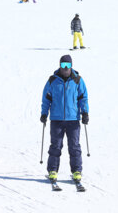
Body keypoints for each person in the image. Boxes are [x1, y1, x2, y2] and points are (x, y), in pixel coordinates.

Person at [40, 54, 89, 182]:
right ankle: (52, 171)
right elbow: (46, 99)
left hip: (73, 119)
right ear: (60, 65)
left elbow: (83, 97)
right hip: (56, 119)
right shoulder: (52, 80)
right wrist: (44, 113)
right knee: (55, 146)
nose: (65, 68)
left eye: (68, 65)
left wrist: (85, 113)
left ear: (71, 66)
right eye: (63, 65)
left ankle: (77, 171)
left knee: (74, 146)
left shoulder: (77, 80)